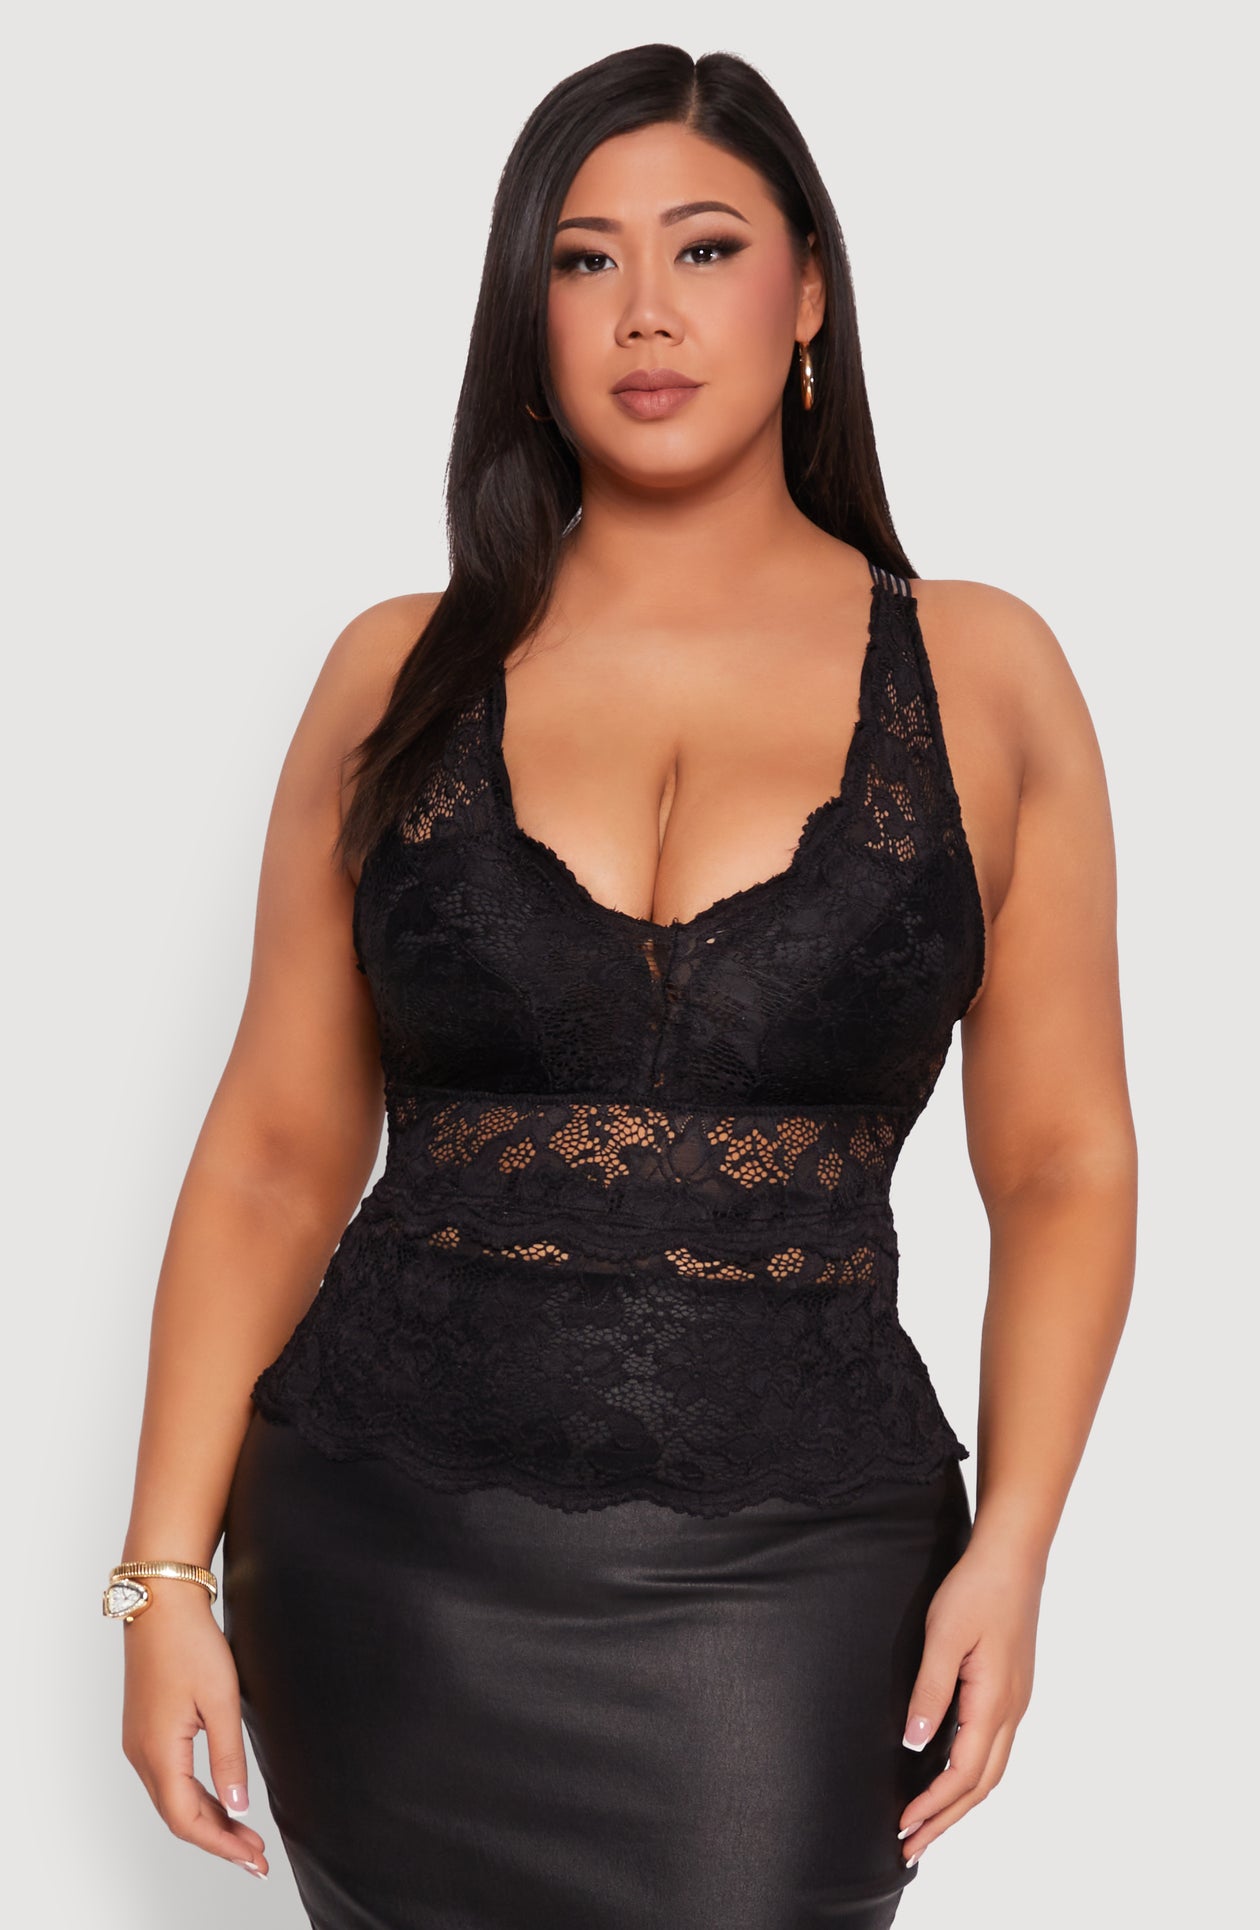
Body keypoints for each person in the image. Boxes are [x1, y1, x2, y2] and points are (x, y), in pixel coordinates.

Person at [108, 42, 1138, 1930]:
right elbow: (271, 1150)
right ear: (529, 318)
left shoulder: (983, 674)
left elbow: (1064, 1161)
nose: (645, 311)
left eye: (706, 247)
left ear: (809, 294)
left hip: (805, 1585)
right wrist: (162, 1573)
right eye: (583, 261)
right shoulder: (396, 671)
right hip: (382, 1564)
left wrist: (1017, 1545)